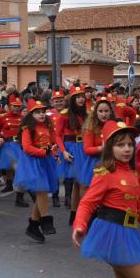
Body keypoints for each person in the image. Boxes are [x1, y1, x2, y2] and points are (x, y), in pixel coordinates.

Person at [72, 120, 140, 278]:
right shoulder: (105, 174)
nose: (127, 149)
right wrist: (80, 225)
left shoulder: (132, 173)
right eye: (120, 145)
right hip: (111, 236)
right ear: (109, 147)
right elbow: (87, 203)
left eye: (130, 144)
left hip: (128, 234)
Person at [15, 99, 59, 243]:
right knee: (42, 191)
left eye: (42, 112)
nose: (41, 114)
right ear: (31, 114)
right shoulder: (27, 128)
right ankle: (46, 220)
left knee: (42, 192)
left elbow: (52, 144)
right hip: (32, 163)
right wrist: (43, 152)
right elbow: (27, 148)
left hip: (45, 162)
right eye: (37, 112)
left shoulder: (47, 126)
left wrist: (54, 154)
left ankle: (33, 225)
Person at [55, 85, 87, 225]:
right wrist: (63, 151)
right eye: (78, 97)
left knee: (79, 185)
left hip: (84, 148)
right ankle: (81, 216)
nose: (81, 99)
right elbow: (57, 135)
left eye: (82, 96)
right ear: (73, 99)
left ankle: (75, 215)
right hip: (71, 150)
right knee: (80, 183)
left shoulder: (86, 114)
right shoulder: (64, 114)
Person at [0, 93, 28, 207]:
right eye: (13, 106)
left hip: (19, 145)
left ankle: (19, 195)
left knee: (19, 169)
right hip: (7, 145)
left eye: (18, 106)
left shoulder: (23, 118)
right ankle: (10, 185)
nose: (16, 108)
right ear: (9, 106)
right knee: (10, 167)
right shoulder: (2, 117)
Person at [79, 96, 115, 190]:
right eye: (101, 111)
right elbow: (87, 149)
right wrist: (101, 148)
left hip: (112, 163)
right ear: (96, 112)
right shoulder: (90, 127)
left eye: (106, 111)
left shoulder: (115, 125)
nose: (104, 114)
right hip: (95, 164)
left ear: (111, 112)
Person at [47, 89, 68, 207]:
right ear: (52, 102)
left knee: (67, 173)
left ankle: (67, 197)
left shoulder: (69, 113)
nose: (59, 102)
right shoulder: (48, 114)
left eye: (60, 100)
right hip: (53, 147)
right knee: (54, 173)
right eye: (56, 101)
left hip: (66, 146)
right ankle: (55, 197)